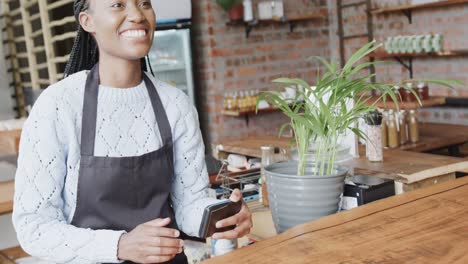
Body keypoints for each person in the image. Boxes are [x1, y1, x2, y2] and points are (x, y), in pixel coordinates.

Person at [12, 0, 252, 263]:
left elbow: (189, 205)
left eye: (144, 3)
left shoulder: (176, 104)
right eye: (118, 5)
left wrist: (222, 216)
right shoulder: (58, 107)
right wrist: (120, 245)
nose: (137, 15)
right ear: (87, 21)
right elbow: (33, 227)